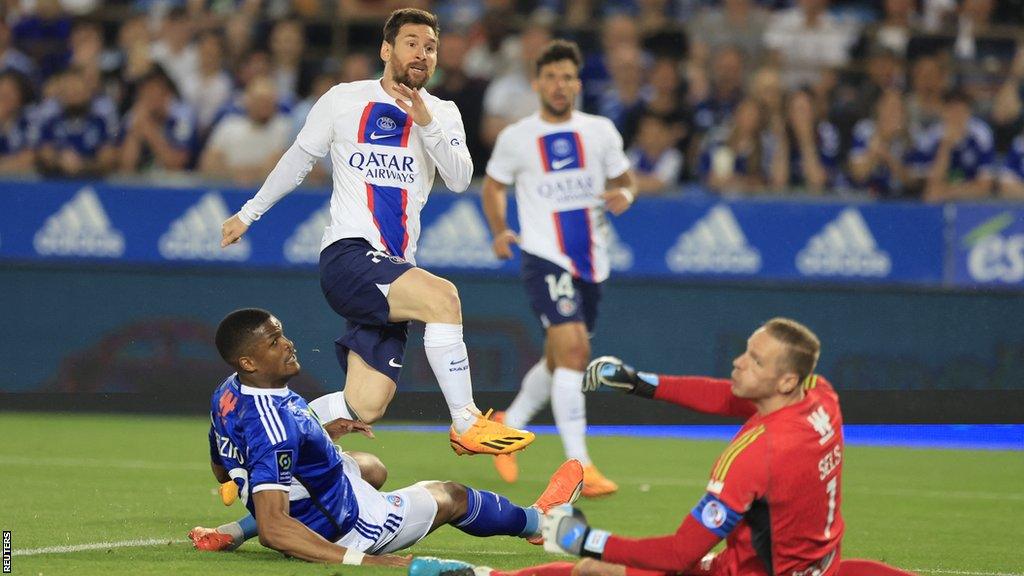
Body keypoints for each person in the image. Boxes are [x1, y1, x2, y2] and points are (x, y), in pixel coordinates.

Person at [218, 8, 534, 456]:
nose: (422, 54)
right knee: (443, 299)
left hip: (392, 268)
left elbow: (462, 177)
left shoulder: (443, 113)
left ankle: (251, 431)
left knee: (364, 405)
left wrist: (425, 122)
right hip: (349, 255)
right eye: (411, 43)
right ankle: (465, 421)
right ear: (387, 49)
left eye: (430, 47)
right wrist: (248, 214)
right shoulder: (344, 99)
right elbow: (298, 160)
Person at [410, 318, 917, 576]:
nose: (739, 363)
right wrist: (643, 382)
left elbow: (679, 553)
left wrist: (583, 538)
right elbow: (728, 396)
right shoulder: (821, 397)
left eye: (755, 361)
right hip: (819, 565)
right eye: (746, 351)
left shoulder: (756, 456)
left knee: (594, 570)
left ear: (785, 381)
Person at [188, 308, 584, 563]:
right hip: (346, 525)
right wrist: (367, 561)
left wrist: (322, 434)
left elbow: (221, 458)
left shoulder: (228, 391)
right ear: (248, 361)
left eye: (283, 333)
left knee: (370, 467)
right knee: (452, 495)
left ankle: (236, 529)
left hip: (303, 495)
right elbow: (275, 531)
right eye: (274, 342)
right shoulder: (275, 426)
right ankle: (538, 524)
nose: (288, 344)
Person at [481, 40, 636, 496]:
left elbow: (625, 180)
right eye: (550, 77)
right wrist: (498, 230)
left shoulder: (601, 130)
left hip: (592, 261)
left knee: (558, 358)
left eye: (567, 77)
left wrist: (625, 195)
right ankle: (580, 467)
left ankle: (509, 424)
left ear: (578, 83)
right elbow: (493, 187)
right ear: (537, 83)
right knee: (573, 354)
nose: (559, 85)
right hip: (544, 256)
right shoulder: (517, 136)